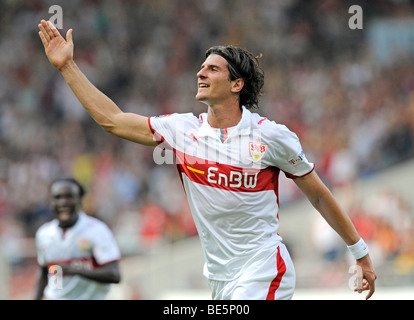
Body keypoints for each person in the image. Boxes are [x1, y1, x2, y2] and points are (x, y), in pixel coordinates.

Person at [38, 19, 377, 300]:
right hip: (218, 278)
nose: (200, 73)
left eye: (213, 69)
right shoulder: (181, 130)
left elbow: (318, 194)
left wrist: (360, 252)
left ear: (236, 84)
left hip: (264, 268)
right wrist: (67, 66)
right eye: (201, 68)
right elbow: (111, 119)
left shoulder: (271, 136)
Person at [34, 177, 121, 300]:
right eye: (58, 197)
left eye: (69, 197)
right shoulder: (44, 234)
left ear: (79, 200)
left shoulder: (96, 230)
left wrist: (76, 270)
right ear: (51, 201)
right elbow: (44, 272)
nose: (63, 202)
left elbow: (114, 275)